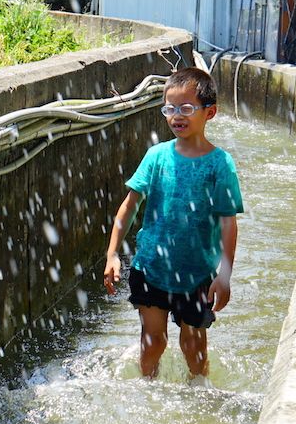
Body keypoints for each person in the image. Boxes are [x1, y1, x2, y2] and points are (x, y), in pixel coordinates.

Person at [103, 67, 244, 379]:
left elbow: (228, 223)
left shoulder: (220, 165)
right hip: (151, 268)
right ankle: (147, 390)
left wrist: (225, 275)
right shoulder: (156, 156)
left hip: (197, 276)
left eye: (186, 108)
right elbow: (129, 206)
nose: (176, 116)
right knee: (153, 342)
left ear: (210, 113)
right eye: (170, 108)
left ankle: (199, 394)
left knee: (194, 347)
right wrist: (113, 253)